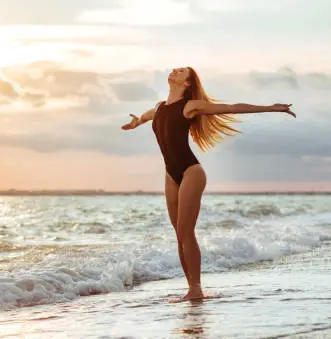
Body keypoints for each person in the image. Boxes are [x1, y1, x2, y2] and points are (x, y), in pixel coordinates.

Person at [121, 67, 296, 301]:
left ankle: (196, 288)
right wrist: (136, 123)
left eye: (181, 70)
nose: (175, 70)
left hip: (191, 172)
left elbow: (231, 108)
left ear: (186, 83)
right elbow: (147, 116)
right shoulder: (160, 107)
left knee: (186, 230)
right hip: (170, 175)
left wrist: (271, 108)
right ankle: (191, 288)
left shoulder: (190, 106)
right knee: (179, 234)